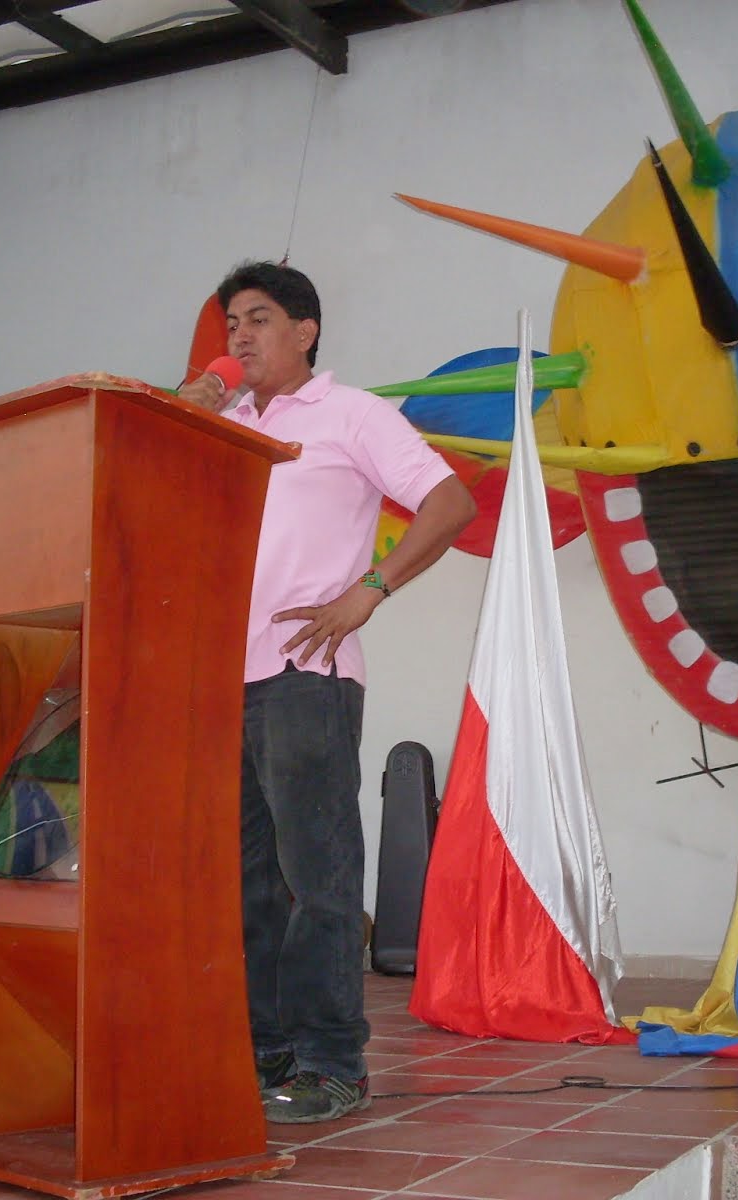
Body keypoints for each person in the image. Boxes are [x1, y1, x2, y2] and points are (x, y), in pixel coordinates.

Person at [178, 261, 475, 1123]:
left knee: (319, 879)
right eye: (232, 320)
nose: (239, 335)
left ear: (305, 331)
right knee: (248, 882)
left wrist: (369, 590)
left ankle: (333, 1062)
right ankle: (264, 1049)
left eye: (259, 318)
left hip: (307, 676)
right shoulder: (225, 423)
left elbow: (449, 503)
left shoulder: (352, 414)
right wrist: (187, 411)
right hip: (220, 682)